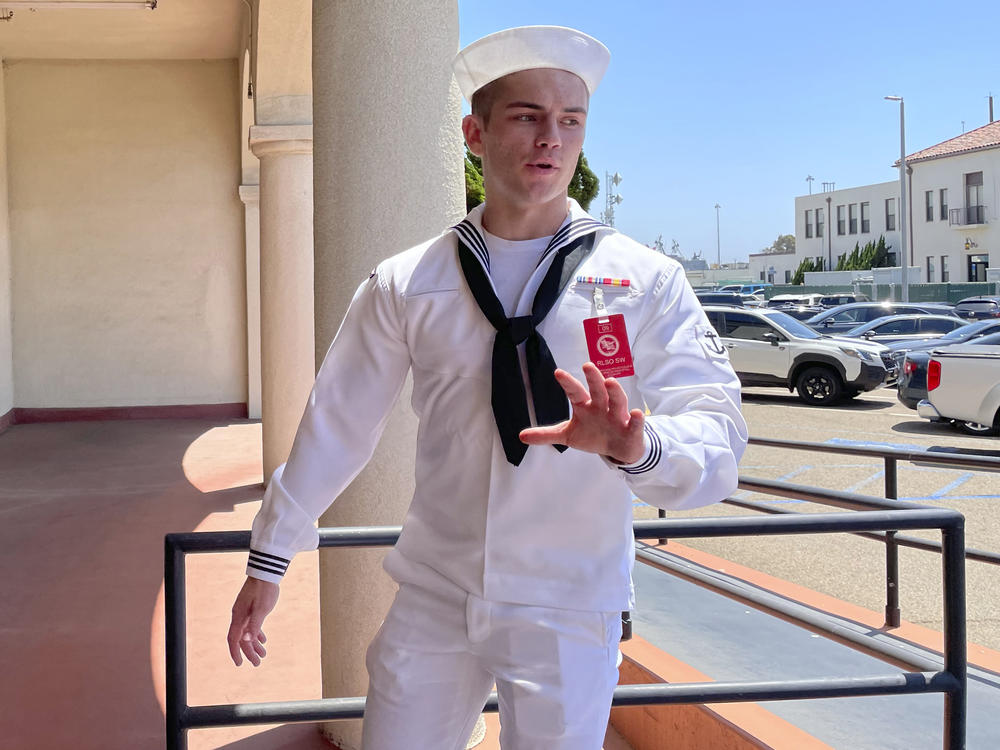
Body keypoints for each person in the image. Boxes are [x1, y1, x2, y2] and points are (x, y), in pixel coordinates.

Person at [227, 25, 748, 750]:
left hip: (570, 602)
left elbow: (719, 434)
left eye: (570, 121)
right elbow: (337, 423)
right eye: (526, 116)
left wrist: (641, 447)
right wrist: (271, 552)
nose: (551, 139)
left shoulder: (643, 282)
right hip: (436, 593)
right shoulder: (409, 283)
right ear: (474, 132)